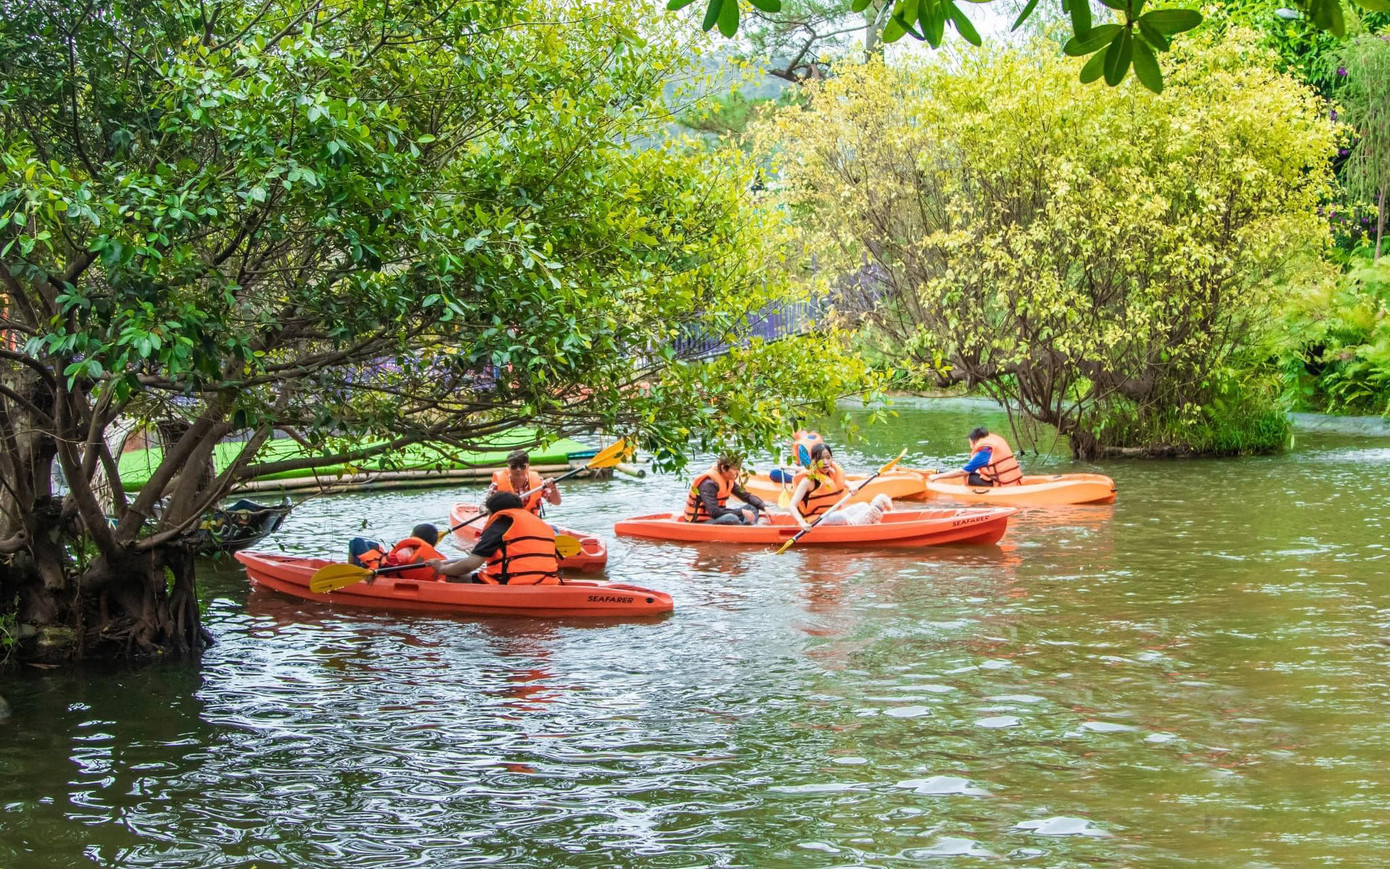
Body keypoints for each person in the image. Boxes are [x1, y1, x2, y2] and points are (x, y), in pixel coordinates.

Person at [426, 491, 560, 584]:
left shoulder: (499, 524)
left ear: (494, 512)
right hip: (549, 581)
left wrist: (442, 569)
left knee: (450, 577)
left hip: (511, 585)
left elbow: (470, 565)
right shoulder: (542, 524)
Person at [791, 443, 892, 527]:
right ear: (814, 460)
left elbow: (842, 482)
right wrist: (802, 523)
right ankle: (865, 524)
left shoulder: (832, 474)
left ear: (832, 459)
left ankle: (867, 521)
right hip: (815, 520)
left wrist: (850, 485)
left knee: (863, 506)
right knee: (840, 517)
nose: (825, 462)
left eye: (828, 458)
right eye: (821, 459)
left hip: (832, 514)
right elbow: (792, 506)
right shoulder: (808, 481)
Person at [679, 454, 768, 524]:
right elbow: (714, 512)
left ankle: (748, 528)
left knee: (752, 507)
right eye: (735, 469)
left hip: (718, 517)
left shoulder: (728, 481)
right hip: (701, 522)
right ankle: (744, 529)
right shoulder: (708, 484)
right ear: (723, 468)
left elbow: (746, 496)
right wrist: (741, 512)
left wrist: (765, 507)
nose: (738, 472)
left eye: (738, 469)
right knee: (731, 518)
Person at [349, 523, 447, 581]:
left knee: (356, 542)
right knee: (372, 545)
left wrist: (374, 572)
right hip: (407, 573)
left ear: (413, 536)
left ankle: (352, 573)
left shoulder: (408, 550)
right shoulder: (436, 558)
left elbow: (391, 563)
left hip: (377, 570)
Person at [930, 427, 1023, 487]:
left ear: (974, 441)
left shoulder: (982, 453)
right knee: (975, 471)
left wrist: (936, 477)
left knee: (968, 476)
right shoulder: (993, 445)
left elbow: (962, 471)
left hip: (1001, 484)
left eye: (970, 443)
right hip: (1013, 480)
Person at [484, 449, 560, 516]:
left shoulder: (539, 483)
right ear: (508, 467)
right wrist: (485, 509)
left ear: (528, 466)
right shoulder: (497, 486)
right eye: (514, 466)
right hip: (507, 523)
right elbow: (484, 506)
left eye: (522, 466)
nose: (518, 470)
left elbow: (556, 502)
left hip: (530, 522)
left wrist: (553, 487)